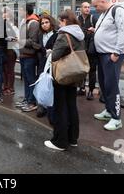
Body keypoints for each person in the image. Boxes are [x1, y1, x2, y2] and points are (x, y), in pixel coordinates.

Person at [44, 10, 85, 151]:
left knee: (60, 107)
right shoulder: (80, 34)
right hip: (74, 74)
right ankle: (73, 138)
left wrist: (49, 52)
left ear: (65, 21)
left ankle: (60, 141)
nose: (59, 24)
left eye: (60, 21)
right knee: (72, 106)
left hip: (62, 75)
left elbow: (55, 55)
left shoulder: (64, 34)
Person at [91, 0, 124, 131]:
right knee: (104, 84)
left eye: (96, 5)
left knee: (112, 85)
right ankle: (108, 110)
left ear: (102, 1)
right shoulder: (104, 14)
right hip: (102, 54)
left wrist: (116, 52)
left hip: (112, 55)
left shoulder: (118, 10)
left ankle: (116, 118)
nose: (95, 8)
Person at [16, 4, 40, 113]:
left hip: (30, 56)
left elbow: (33, 41)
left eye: (20, 10)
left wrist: (19, 41)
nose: (19, 11)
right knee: (26, 79)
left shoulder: (33, 22)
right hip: (24, 54)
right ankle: (27, 99)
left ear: (26, 11)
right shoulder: (25, 21)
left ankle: (32, 102)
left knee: (31, 79)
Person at [35, 14, 58, 119]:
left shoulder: (56, 34)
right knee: (41, 84)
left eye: (46, 22)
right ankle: (42, 105)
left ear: (51, 22)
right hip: (41, 63)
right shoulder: (40, 35)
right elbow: (38, 47)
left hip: (52, 65)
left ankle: (50, 107)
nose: (44, 25)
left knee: (50, 85)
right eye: (42, 23)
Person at [78, 2, 98, 100]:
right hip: (81, 48)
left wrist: (94, 29)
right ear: (81, 9)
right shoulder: (78, 19)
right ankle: (82, 88)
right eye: (85, 7)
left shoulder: (93, 18)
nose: (87, 9)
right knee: (81, 69)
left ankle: (90, 90)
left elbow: (99, 30)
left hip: (91, 49)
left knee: (92, 70)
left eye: (88, 7)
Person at [2, 7, 19, 97]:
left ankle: (10, 88)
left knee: (10, 70)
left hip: (11, 50)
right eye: (2, 13)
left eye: (5, 13)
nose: (3, 14)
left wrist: (8, 38)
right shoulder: (2, 24)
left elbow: (17, 38)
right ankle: (5, 86)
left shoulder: (13, 25)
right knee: (4, 70)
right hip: (4, 50)